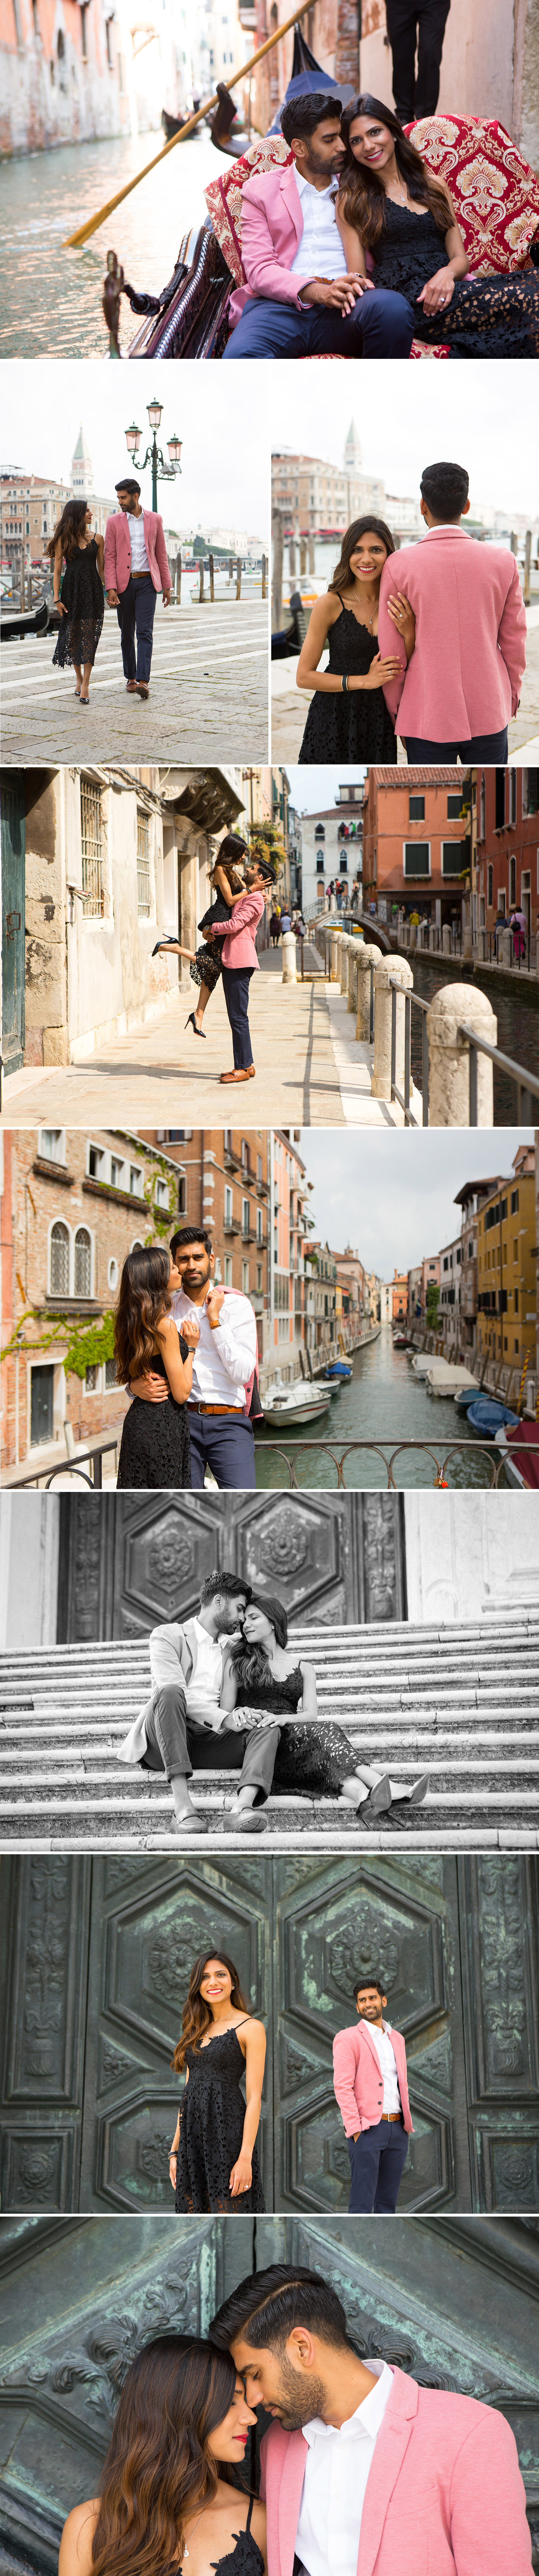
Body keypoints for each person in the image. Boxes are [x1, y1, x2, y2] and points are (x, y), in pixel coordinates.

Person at [209, 2264, 530, 2576]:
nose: (252, 2399)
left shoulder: (470, 2432)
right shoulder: (276, 2445)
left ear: (302, 2348)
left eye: (256, 2375)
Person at [337, 96, 539, 358]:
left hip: (449, 289)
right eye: (356, 140)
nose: (368, 145)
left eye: (375, 132)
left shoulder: (435, 186)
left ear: (394, 132)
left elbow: (459, 259)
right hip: (411, 301)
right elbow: (359, 275)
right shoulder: (352, 197)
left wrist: (446, 275)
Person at [222, 92, 416, 360]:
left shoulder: (361, 185)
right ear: (300, 148)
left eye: (341, 136)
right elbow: (260, 269)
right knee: (240, 358)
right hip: (280, 308)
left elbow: (416, 232)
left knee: (392, 309)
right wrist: (322, 292)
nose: (343, 147)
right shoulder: (260, 191)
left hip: (348, 306)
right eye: (329, 140)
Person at [220, 1593, 429, 1833]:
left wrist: (284, 1718)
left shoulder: (305, 1669)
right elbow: (224, 1714)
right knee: (327, 1732)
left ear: (274, 1622)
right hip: (262, 1745)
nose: (245, 1625)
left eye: (253, 1618)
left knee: (322, 1745)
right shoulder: (238, 1662)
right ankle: (383, 1784)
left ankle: (364, 1798)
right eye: (244, 1619)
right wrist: (240, 1712)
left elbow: (311, 1715)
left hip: (296, 1740)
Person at [59, 2335, 267, 2576]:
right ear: (183, 2409)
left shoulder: (260, 2521)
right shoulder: (90, 2526)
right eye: (231, 2402)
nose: (251, 2418)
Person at [115, 1571, 285, 1837]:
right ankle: (183, 1809)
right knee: (170, 1692)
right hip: (166, 1737)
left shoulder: (233, 1648)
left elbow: (267, 1647)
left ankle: (241, 1809)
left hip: (211, 1739)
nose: (243, 1619)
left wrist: (241, 1714)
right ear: (219, 1602)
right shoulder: (167, 1635)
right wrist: (224, 1718)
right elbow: (173, 1689)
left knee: (268, 1726)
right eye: (240, 1609)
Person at [377, 459, 527, 761]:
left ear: (422, 506)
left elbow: (392, 654)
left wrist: (398, 713)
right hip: (489, 709)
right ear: (467, 505)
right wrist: (511, 697)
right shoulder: (504, 562)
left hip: (425, 712)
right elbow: (514, 643)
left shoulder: (399, 566)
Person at [127, 1225, 259, 1490]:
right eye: (183, 1259)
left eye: (198, 1258)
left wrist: (215, 1322)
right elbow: (141, 1362)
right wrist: (132, 1388)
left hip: (229, 1423)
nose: (191, 1266)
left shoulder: (238, 1306)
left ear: (211, 1260)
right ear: (174, 1264)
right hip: (181, 1424)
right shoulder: (165, 1310)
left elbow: (243, 1373)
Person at [296, 518, 413, 764]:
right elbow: (304, 677)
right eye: (358, 550)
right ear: (347, 555)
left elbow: (408, 665)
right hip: (333, 716)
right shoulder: (329, 603)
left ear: (390, 555)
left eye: (376, 550)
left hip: (379, 717)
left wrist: (410, 633)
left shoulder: (401, 602)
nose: (367, 559)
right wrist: (365, 681)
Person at [170, 1949, 266, 2211]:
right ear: (198, 1986)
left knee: (230, 2214)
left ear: (233, 1981)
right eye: (205, 1977)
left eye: (220, 1975)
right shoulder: (195, 2029)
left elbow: (255, 2097)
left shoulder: (251, 2028)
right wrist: (175, 2150)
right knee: (194, 2215)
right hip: (193, 2137)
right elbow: (188, 2092)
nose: (213, 1982)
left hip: (228, 2135)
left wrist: (245, 2156)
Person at [153, 834, 252, 1037]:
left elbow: (244, 896)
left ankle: (198, 1015)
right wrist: (251, 889)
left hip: (224, 924)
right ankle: (174, 947)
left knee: (212, 971)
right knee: (214, 965)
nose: (243, 857)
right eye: (241, 853)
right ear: (233, 851)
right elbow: (231, 901)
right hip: (220, 920)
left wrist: (256, 893)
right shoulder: (221, 870)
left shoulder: (233, 872)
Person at [114, 1246, 195, 1490]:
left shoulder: (131, 1321)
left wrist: (134, 1386)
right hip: (163, 1425)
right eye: (172, 1267)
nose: (179, 1270)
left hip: (139, 1423)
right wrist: (191, 1349)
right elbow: (181, 1394)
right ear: (157, 1279)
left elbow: (131, 1374)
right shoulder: (165, 1326)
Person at [332, 1974, 412, 2213]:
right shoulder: (347, 2038)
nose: (368, 2003)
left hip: (398, 2129)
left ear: (383, 2001)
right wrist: (355, 2129)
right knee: (362, 2204)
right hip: (367, 2130)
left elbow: (401, 2082)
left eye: (372, 1998)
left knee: (388, 2204)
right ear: (357, 2006)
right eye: (362, 2000)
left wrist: (405, 2126)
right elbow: (342, 2086)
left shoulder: (397, 2038)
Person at [103, 474, 172, 700]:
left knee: (145, 631)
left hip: (147, 584)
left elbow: (161, 554)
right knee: (127, 634)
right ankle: (131, 677)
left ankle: (143, 681)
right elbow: (110, 557)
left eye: (123, 497)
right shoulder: (113, 522)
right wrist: (111, 587)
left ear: (136, 496)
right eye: (118, 498)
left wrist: (168, 587)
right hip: (124, 585)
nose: (120, 502)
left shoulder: (155, 520)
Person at [207, 855, 274, 1083]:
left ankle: (242, 1068)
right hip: (235, 959)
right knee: (238, 1016)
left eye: (252, 868)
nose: (247, 868)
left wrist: (212, 928)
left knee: (238, 1017)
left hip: (239, 960)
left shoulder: (255, 900)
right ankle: (248, 1064)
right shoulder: (252, 896)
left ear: (260, 877)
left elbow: (235, 925)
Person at [47, 498, 104, 704]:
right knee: (73, 637)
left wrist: (113, 590)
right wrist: (57, 599)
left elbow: (102, 570)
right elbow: (57, 572)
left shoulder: (99, 538)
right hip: (71, 593)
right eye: (87, 511)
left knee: (90, 636)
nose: (91, 514)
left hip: (93, 592)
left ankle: (87, 684)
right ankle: (79, 679)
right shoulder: (64, 539)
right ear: (77, 515)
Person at [386, 1, 451, 123]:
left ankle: (425, 119)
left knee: (430, 53)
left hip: (435, 3)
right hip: (399, 5)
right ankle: (405, 120)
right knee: (402, 58)